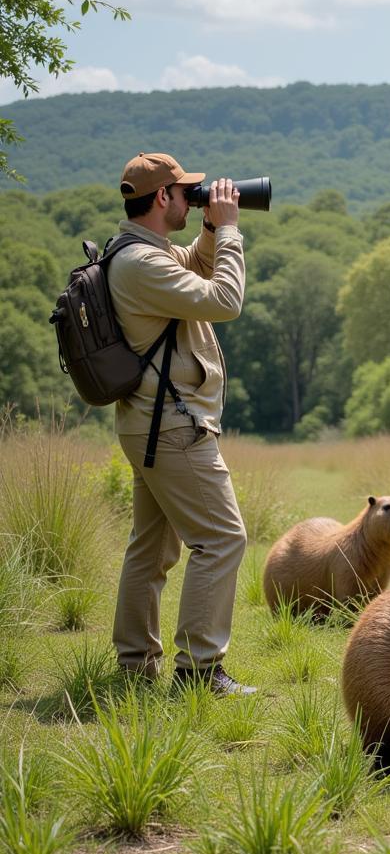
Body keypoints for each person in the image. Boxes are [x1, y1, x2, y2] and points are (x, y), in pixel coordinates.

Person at [108, 151, 254, 696]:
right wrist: (233, 234)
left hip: (150, 422)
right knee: (221, 538)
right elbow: (224, 299)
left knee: (151, 548)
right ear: (163, 198)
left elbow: (192, 263)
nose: (192, 198)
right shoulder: (142, 264)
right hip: (171, 426)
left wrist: (213, 229)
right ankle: (199, 670)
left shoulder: (142, 251)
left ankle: (135, 662)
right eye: (185, 192)